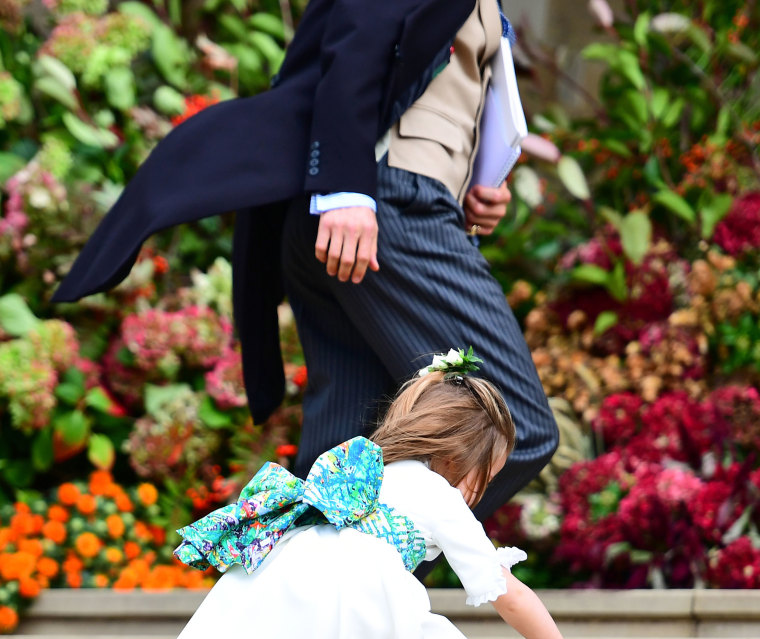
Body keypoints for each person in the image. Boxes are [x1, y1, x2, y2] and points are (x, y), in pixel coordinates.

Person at [52, 0, 559, 524]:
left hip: (381, 208)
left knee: (345, 460)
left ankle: (303, 596)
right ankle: (351, 586)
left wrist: (470, 185)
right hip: (382, 208)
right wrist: (344, 187)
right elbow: (362, 26)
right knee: (507, 426)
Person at [148, 354, 623, 639]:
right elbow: (509, 593)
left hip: (284, 589)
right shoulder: (438, 493)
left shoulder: (361, 471)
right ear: (460, 458)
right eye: (486, 475)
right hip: (350, 601)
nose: (480, 491)